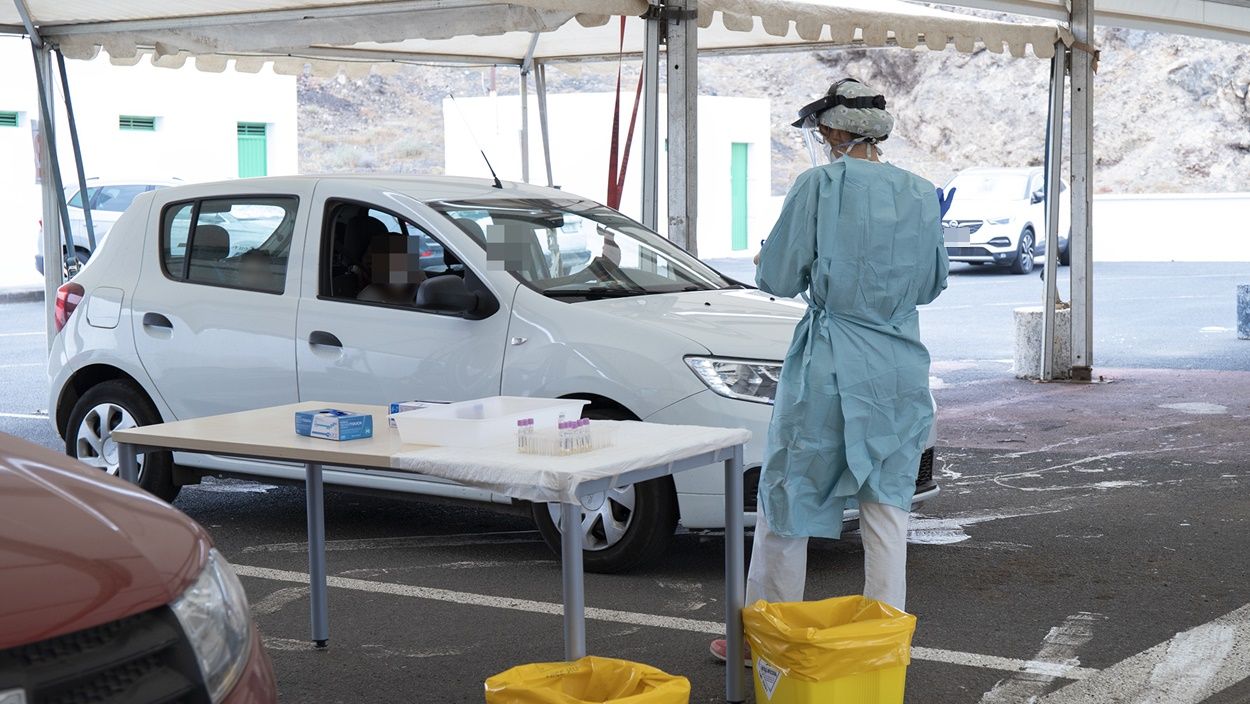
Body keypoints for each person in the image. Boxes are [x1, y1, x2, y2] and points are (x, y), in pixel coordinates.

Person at [712, 77, 949, 663]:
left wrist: (770, 256)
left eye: (822, 130)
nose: (819, 137)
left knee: (788, 495)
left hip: (829, 361)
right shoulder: (922, 193)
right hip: (896, 364)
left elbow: (777, 279)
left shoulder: (817, 186)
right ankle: (883, 644)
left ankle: (763, 640)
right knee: (888, 502)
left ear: (838, 131)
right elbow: (932, 284)